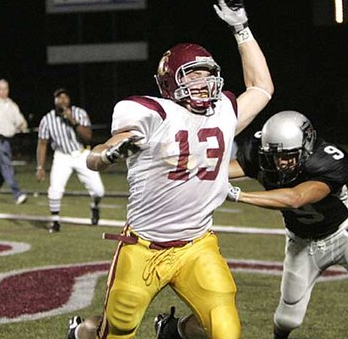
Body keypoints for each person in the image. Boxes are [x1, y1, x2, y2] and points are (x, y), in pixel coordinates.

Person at [65, 0, 273, 338]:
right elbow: (101, 151)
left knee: (225, 327)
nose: (203, 82)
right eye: (192, 74)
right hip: (144, 247)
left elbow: (262, 87)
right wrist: (105, 155)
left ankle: (173, 332)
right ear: (169, 81)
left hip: (197, 244)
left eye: (207, 73)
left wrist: (241, 28)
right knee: (118, 328)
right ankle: (80, 333)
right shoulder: (152, 113)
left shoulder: (222, 112)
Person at [226, 110, 348, 339]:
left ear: (306, 146)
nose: (282, 163)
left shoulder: (328, 160)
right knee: (287, 318)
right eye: (277, 156)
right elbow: (221, 171)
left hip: (344, 236)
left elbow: (295, 198)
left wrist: (239, 195)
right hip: (301, 242)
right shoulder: (260, 154)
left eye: (289, 155)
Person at [36, 88, 105, 233]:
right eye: (58, 98)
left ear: (69, 100)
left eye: (64, 97)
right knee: (55, 189)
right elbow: (42, 143)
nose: (62, 100)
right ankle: (55, 222)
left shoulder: (79, 113)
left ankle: (94, 206)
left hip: (81, 154)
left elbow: (88, 137)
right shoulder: (47, 119)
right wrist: (40, 167)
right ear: (54, 101)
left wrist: (73, 121)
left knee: (99, 191)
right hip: (62, 156)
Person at [0, 79, 28, 205]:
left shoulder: (11, 105)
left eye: (5, 88)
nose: (3, 91)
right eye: (1, 88)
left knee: (2, 170)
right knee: (6, 166)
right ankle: (18, 194)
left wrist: (22, 124)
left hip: (6, 141)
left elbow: (20, 120)